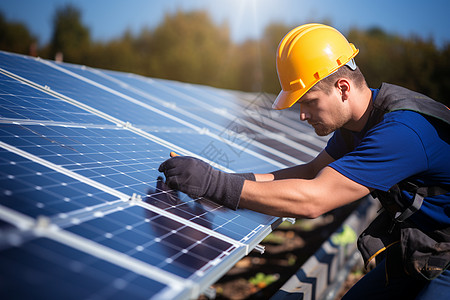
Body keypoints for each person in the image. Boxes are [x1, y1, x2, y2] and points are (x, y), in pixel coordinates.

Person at [158, 23, 450, 299]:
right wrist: (223, 178)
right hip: (427, 248)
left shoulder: (400, 133)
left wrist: (214, 184)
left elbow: (315, 199)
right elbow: (312, 172)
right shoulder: (359, 124)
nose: (301, 114)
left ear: (343, 88)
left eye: (309, 101)